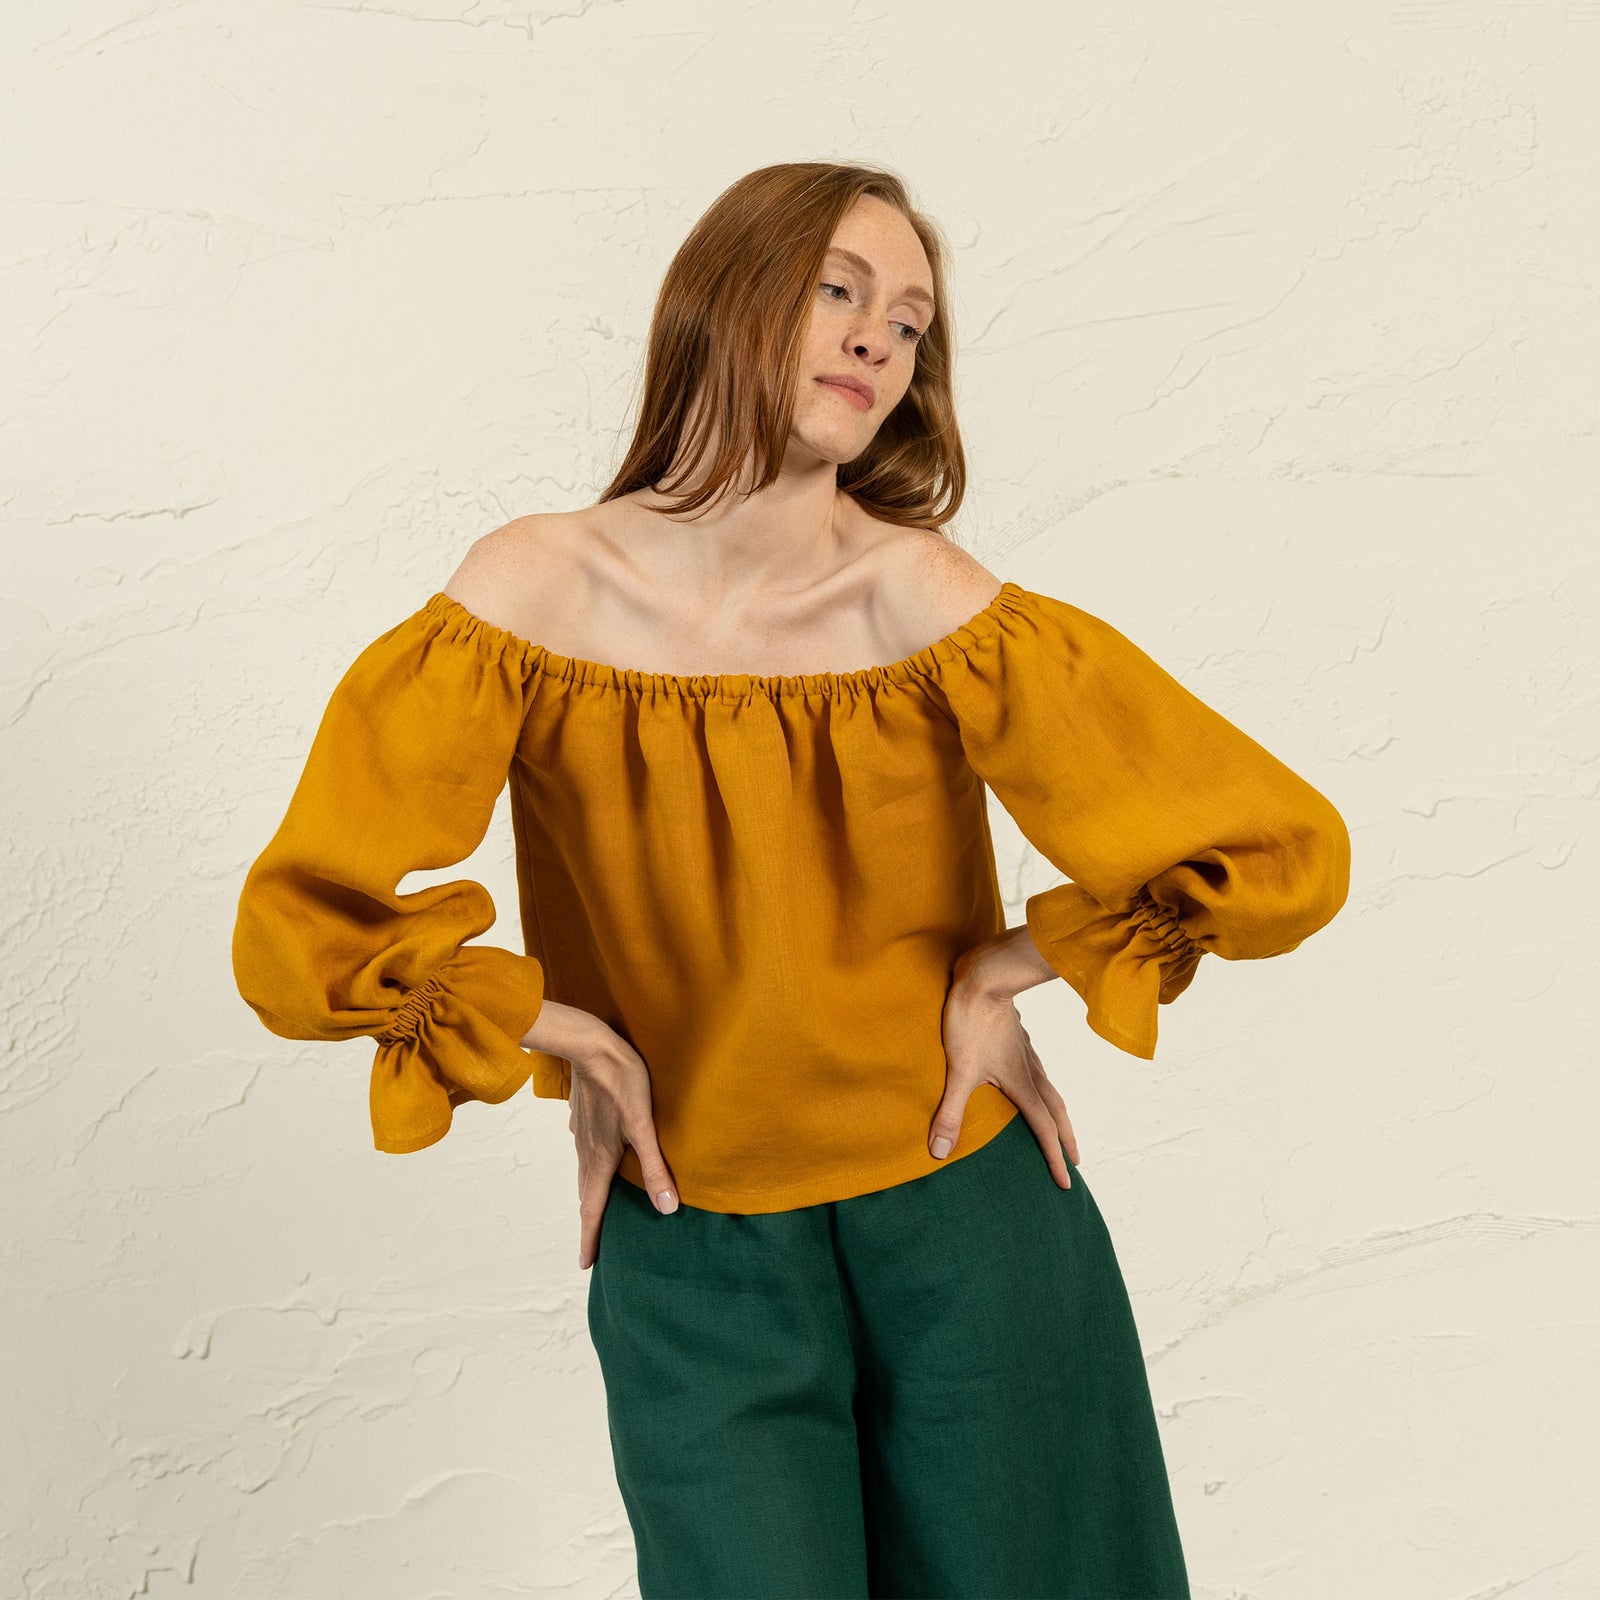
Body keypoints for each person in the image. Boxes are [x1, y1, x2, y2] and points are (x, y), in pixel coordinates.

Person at [232, 161, 1351, 1599]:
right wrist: (542, 1021)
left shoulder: (922, 599)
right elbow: (299, 924)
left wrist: (1010, 965)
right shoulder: (529, 593)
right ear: (725, 297)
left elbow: (1278, 853)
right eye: (839, 290)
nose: (878, 341)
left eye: (909, 322)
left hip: (972, 1215)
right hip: (689, 1232)